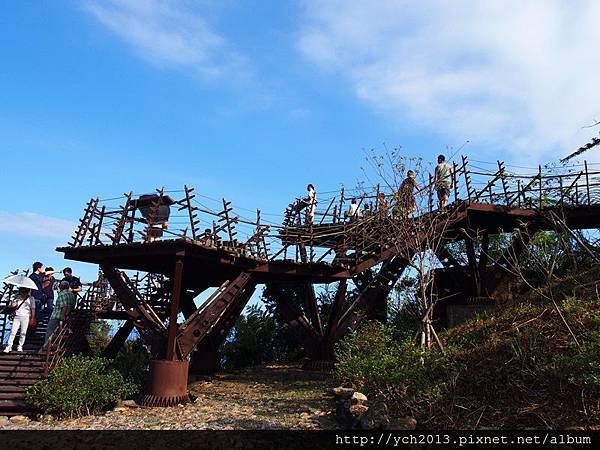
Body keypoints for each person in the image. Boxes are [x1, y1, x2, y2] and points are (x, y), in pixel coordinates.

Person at [3, 288, 35, 353]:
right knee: (13, 331)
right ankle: (9, 346)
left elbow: (33, 308)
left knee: (23, 332)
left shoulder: (31, 298)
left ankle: (20, 346)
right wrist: (14, 300)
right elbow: (12, 306)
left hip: (25, 316)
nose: (23, 293)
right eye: (22, 292)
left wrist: (32, 318)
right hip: (17, 316)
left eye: (25, 292)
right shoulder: (18, 297)